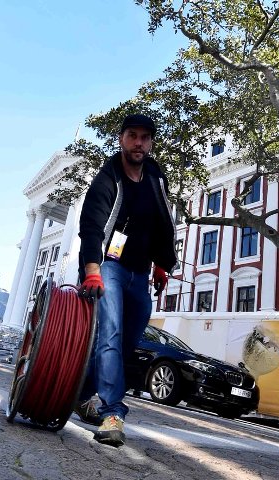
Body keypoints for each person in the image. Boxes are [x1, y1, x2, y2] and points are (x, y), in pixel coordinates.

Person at [74, 114, 177, 446]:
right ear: (121, 139)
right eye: (132, 136)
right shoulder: (108, 179)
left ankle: (78, 393)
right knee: (111, 333)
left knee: (126, 342)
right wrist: (91, 270)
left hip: (141, 272)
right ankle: (112, 413)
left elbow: (162, 221)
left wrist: (162, 265)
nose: (138, 143)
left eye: (145, 138)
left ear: (150, 143)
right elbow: (91, 226)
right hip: (109, 267)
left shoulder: (156, 177)